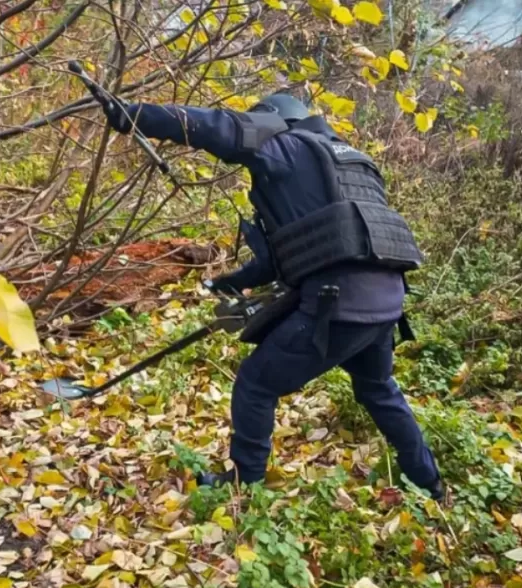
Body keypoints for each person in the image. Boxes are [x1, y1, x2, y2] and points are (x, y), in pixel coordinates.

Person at [98, 89, 445, 501]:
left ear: (273, 120)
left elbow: (217, 127)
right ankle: (430, 482)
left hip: (339, 304)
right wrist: (226, 282)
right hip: (387, 303)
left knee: (255, 383)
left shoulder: (286, 147)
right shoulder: (351, 161)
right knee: (378, 388)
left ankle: (245, 487)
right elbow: (294, 253)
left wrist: (135, 114)